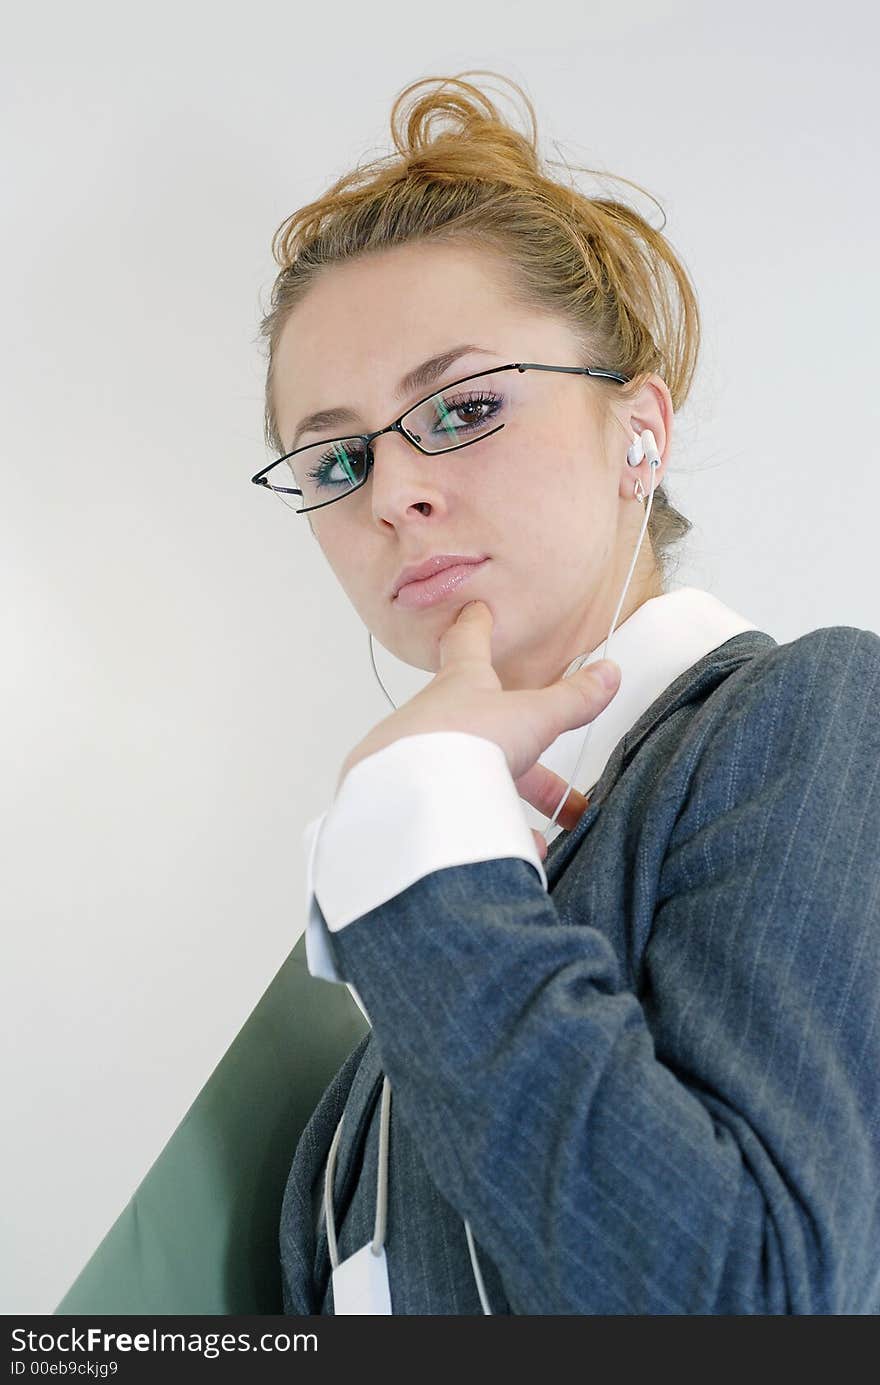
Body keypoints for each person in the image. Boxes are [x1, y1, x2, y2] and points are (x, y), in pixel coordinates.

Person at [254, 72, 880, 1314]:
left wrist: (420, 834)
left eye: (464, 405)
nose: (391, 495)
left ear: (636, 429)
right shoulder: (419, 947)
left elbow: (756, 1301)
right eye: (336, 455)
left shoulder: (814, 716)